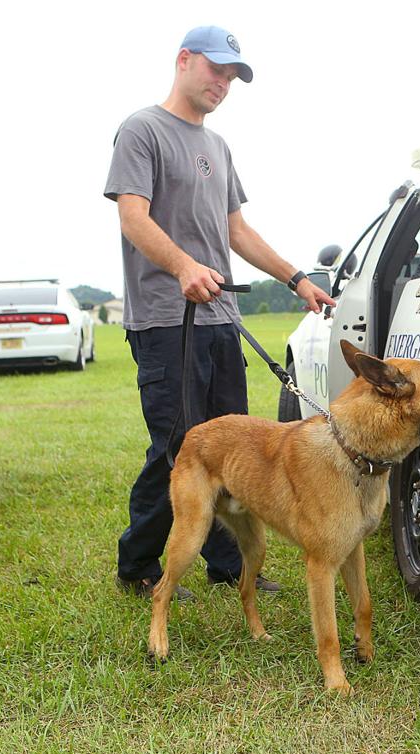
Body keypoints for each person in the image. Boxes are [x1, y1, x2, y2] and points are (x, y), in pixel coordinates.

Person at [104, 25, 335, 600]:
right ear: (184, 61)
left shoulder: (218, 147)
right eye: (217, 70)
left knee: (236, 447)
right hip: (165, 319)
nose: (224, 84)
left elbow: (237, 231)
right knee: (179, 445)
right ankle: (137, 564)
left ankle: (228, 565)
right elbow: (133, 217)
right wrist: (184, 267)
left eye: (232, 76)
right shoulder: (142, 130)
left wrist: (296, 278)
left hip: (220, 319)